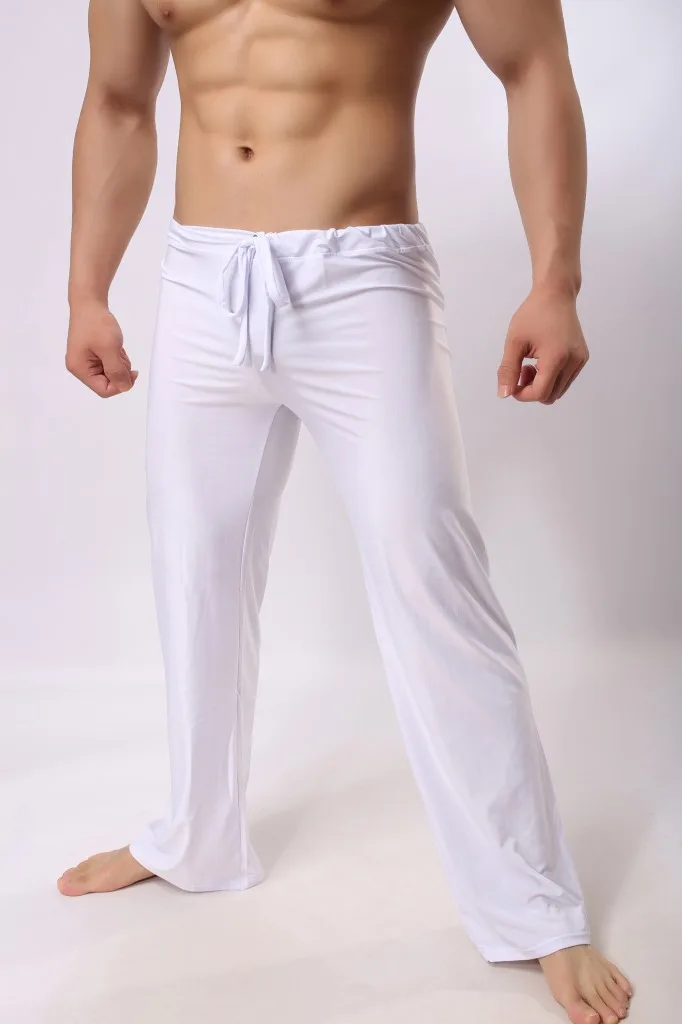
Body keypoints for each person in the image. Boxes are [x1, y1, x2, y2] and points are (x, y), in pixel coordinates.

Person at [58, 1, 633, 1022]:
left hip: (362, 281)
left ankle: (536, 909)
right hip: (200, 279)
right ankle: (196, 836)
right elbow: (117, 101)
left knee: (430, 579)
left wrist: (557, 279)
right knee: (195, 565)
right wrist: (85, 290)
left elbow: (534, 69)